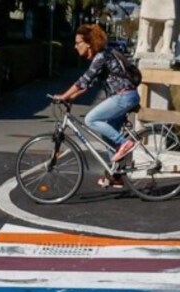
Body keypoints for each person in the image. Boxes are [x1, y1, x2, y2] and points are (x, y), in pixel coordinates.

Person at [53, 24, 140, 187]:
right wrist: (70, 98)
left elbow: (83, 80)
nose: (75, 46)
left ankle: (124, 143)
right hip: (125, 96)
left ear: (89, 43)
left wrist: (63, 95)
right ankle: (116, 175)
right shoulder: (101, 57)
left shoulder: (102, 56)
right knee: (107, 135)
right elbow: (87, 85)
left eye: (78, 42)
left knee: (91, 119)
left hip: (124, 96)